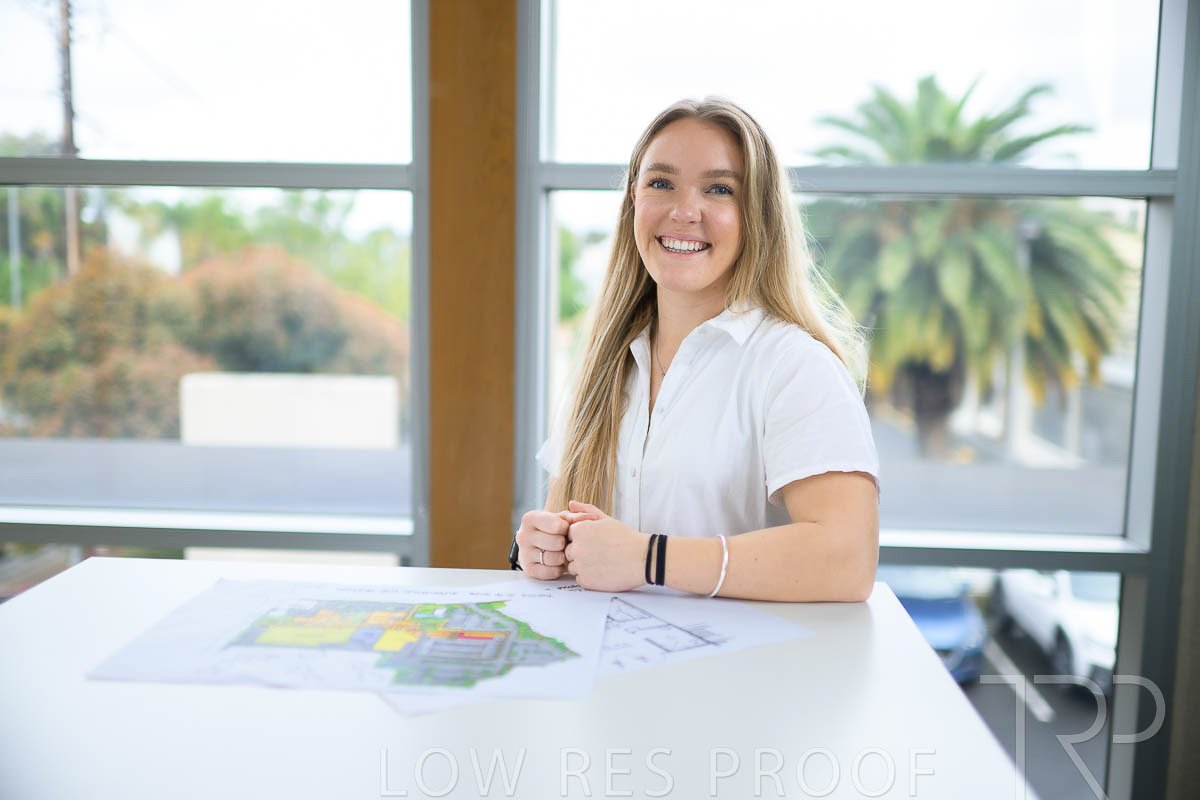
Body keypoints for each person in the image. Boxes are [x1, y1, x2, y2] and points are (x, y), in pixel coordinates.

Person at [512, 98, 880, 602]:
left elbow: (847, 560)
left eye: (719, 189)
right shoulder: (604, 365)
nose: (684, 211)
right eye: (661, 183)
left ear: (757, 216)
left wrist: (650, 558)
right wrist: (542, 548)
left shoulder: (796, 366)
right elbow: (571, 536)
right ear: (633, 201)